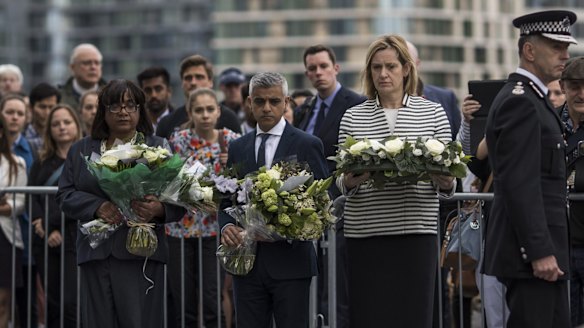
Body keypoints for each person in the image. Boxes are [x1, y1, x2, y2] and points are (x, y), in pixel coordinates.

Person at [337, 34, 454, 327]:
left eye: (390, 66)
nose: (383, 74)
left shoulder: (433, 112)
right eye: (376, 67)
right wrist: (351, 180)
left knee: (414, 316)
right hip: (366, 233)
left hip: (417, 231)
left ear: (406, 68)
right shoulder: (352, 117)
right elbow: (339, 180)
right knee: (369, 316)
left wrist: (444, 179)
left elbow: (451, 182)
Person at [55, 79, 185, 328]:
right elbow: (64, 194)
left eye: (130, 105)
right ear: (103, 112)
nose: (123, 111)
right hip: (96, 253)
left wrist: (158, 209)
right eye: (114, 106)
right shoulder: (81, 149)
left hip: (142, 254)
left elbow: (180, 198)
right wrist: (97, 206)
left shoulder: (157, 147)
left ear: (140, 110)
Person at [483, 10, 577, 328]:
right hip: (532, 258)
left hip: (543, 253)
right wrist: (537, 251)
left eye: (566, 47)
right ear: (529, 50)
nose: (565, 54)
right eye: (555, 47)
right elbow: (520, 184)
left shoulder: (533, 100)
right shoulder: (520, 102)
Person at [219, 72, 328, 328]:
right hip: (247, 264)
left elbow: (324, 198)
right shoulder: (238, 147)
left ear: (286, 102)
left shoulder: (307, 144)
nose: (266, 107)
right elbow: (226, 200)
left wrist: (291, 226)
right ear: (249, 103)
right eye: (259, 101)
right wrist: (227, 227)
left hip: (291, 262)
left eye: (274, 101)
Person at [295, 44, 366, 328]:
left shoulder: (355, 103)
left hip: (341, 208)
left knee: (338, 287)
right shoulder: (305, 109)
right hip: (306, 212)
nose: (318, 72)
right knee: (316, 282)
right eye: (312, 68)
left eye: (323, 66)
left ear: (335, 68)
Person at [165, 88, 240, 327]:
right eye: (199, 110)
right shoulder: (178, 141)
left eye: (210, 109)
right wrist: (193, 198)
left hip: (213, 232)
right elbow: (167, 182)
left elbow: (245, 185)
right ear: (190, 112)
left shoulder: (231, 139)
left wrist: (233, 165)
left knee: (212, 297)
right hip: (180, 231)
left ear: (218, 111)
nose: (205, 115)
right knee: (183, 299)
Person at [29, 104, 82, 328]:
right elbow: (32, 196)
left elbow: (81, 198)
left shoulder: (85, 158)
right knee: (52, 303)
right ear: (49, 129)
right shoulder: (42, 162)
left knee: (71, 302)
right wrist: (44, 227)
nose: (61, 127)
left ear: (76, 125)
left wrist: (53, 225)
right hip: (45, 242)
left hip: (73, 238)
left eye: (66, 122)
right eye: (56, 124)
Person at [556, 56, 584, 327]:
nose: (582, 93)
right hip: (560, 243)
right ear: (563, 86)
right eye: (575, 86)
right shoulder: (550, 122)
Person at [156, 55, 241, 138]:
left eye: (199, 77)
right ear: (182, 83)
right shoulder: (166, 122)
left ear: (210, 82)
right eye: (188, 78)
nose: (193, 82)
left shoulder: (230, 118)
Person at [0, 113, 27, 328]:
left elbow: (20, 203)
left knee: (2, 301)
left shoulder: (15, 163)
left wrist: (5, 207)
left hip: (5, 236)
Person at [59, 43, 107, 110]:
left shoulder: (110, 97)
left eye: (97, 63)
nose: (93, 67)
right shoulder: (58, 98)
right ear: (73, 67)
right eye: (87, 63)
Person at [24, 82, 61, 156]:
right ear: (31, 108)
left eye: (51, 107)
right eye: (42, 107)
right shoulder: (21, 136)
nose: (47, 112)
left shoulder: (63, 137)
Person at [136, 66, 173, 132]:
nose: (153, 95)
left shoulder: (181, 122)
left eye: (158, 89)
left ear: (169, 91)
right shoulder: (135, 125)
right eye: (148, 90)